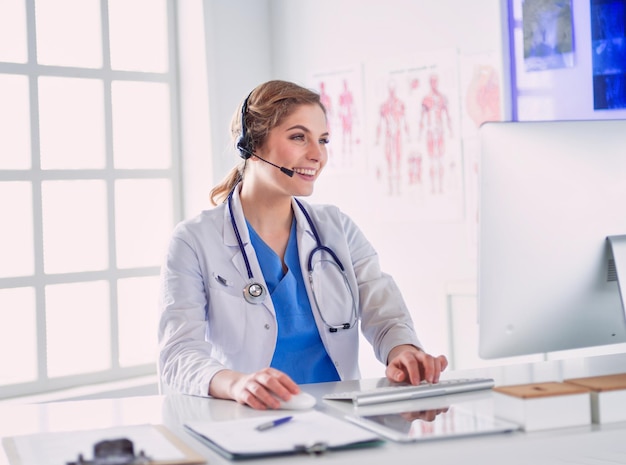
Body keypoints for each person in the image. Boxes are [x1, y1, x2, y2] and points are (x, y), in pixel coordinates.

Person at [158, 80, 448, 410]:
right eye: (299, 137)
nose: (317, 155)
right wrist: (237, 383)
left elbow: (385, 314)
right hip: (248, 421)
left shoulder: (336, 228)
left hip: (340, 418)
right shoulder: (194, 240)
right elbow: (178, 354)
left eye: (323, 140)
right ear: (252, 142)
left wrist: (404, 352)